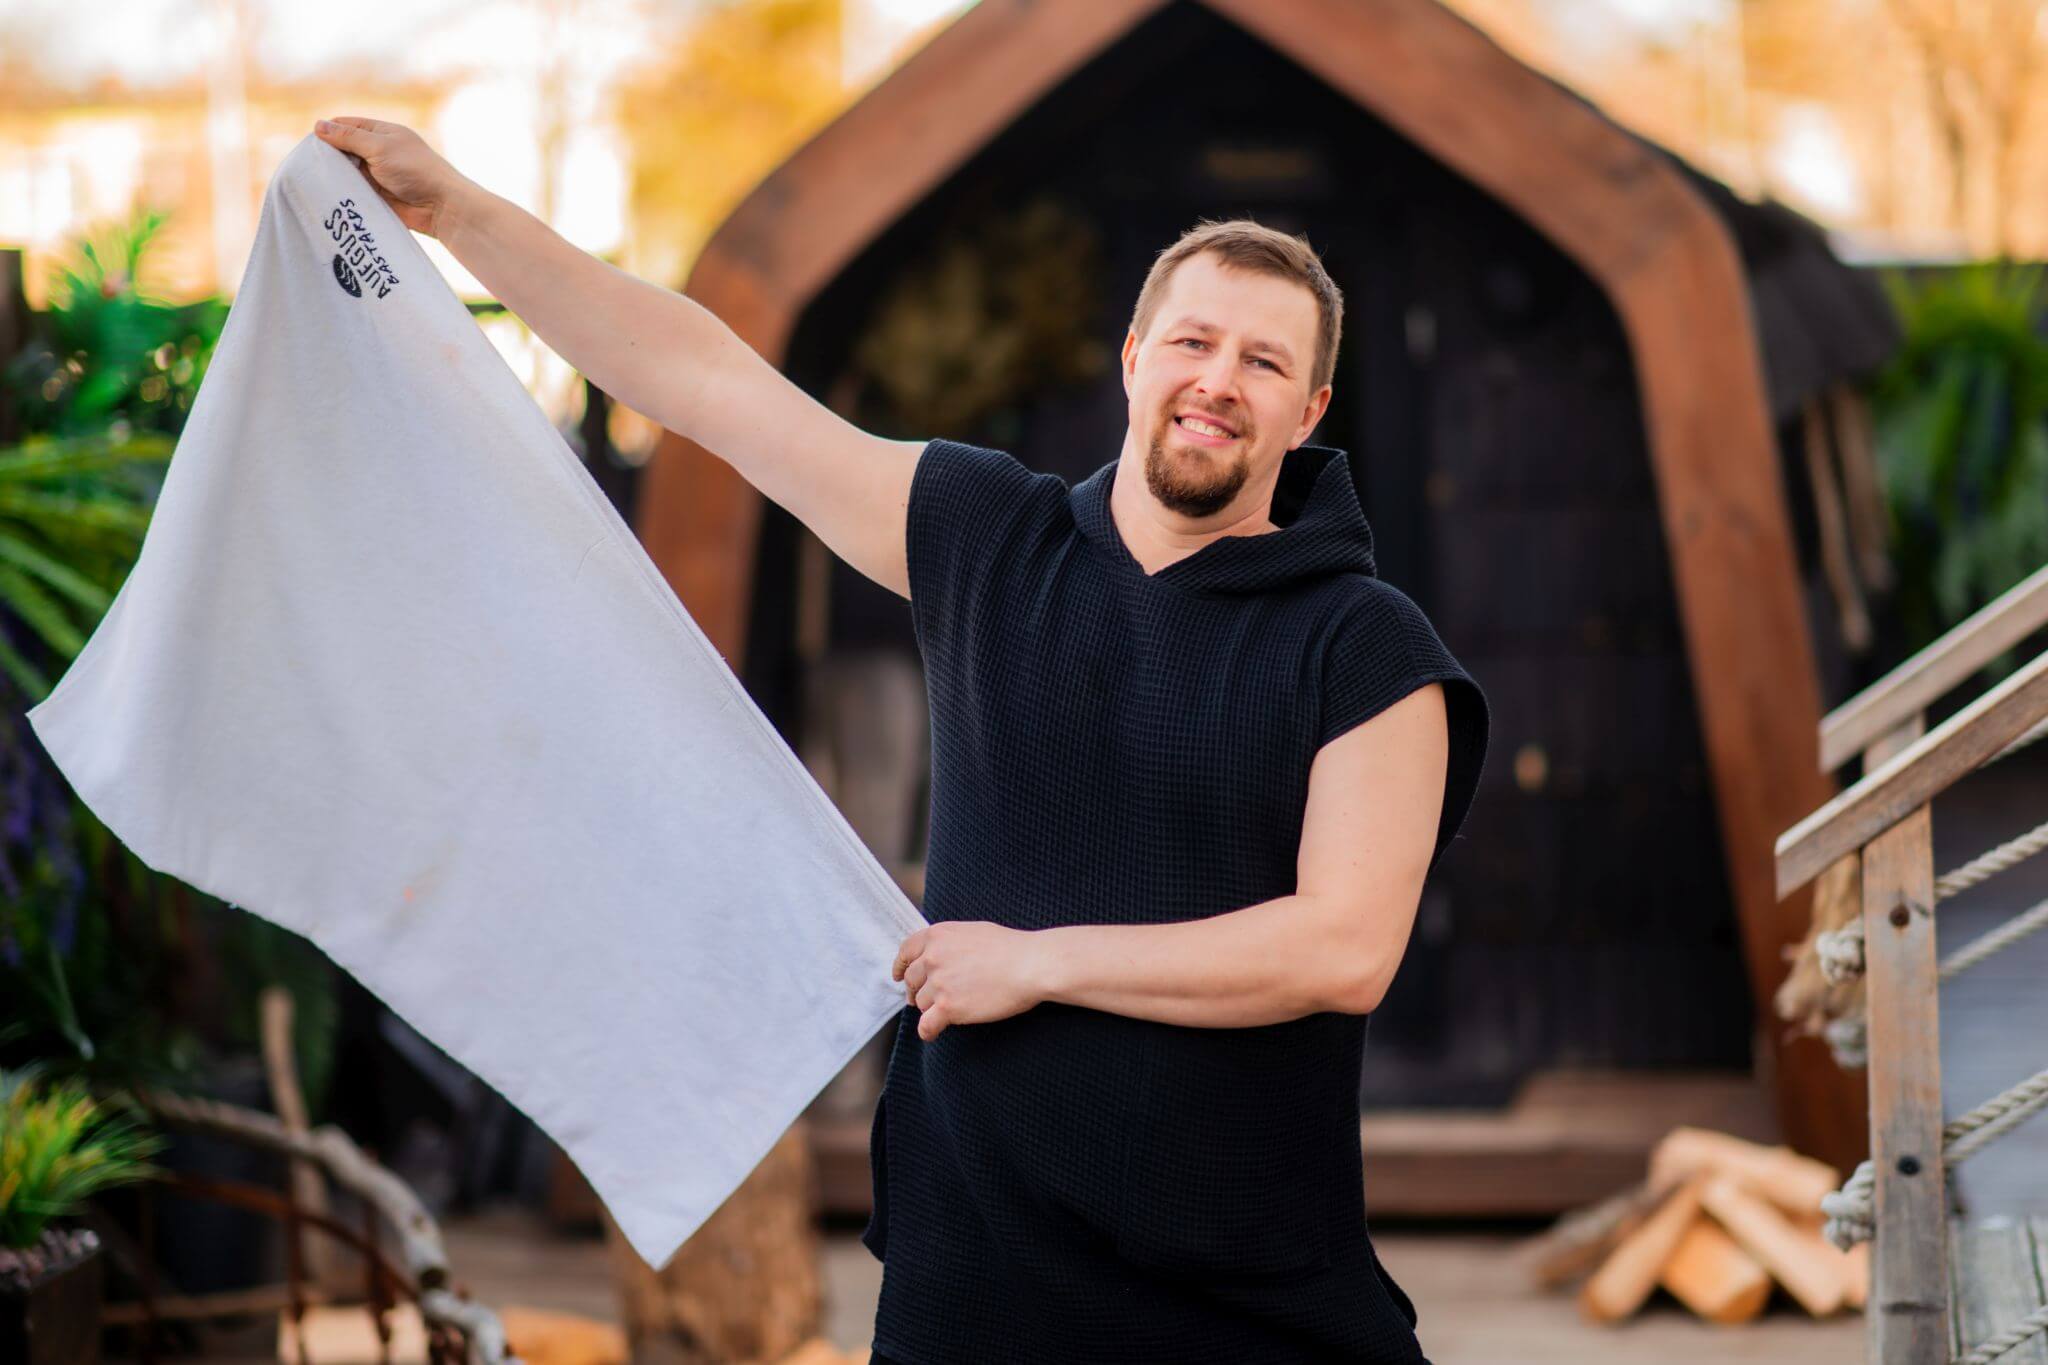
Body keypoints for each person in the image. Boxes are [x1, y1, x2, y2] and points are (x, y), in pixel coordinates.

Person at [312, 116, 1489, 1364]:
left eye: (1261, 362)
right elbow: (706, 379)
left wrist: (1037, 965)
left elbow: (1341, 950)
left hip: (1249, 1296)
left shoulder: (1365, 645)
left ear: (1307, 411)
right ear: (1134, 357)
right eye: (1192, 342)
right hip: (975, 1279)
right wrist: (457, 211)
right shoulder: (987, 536)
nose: (1217, 381)